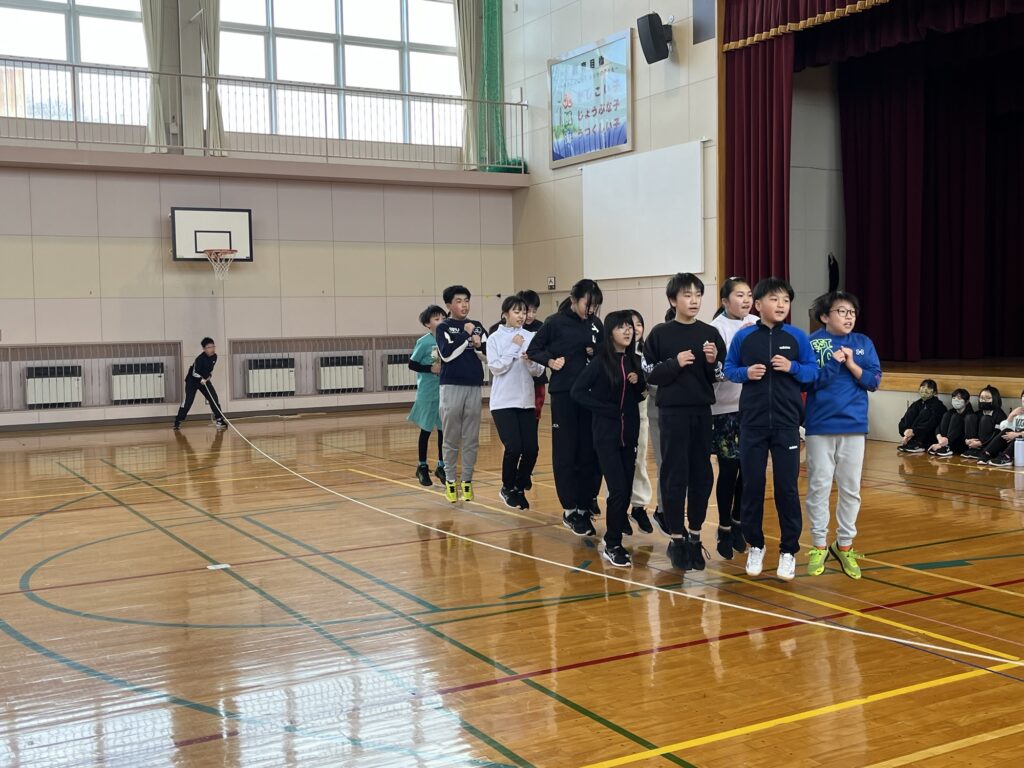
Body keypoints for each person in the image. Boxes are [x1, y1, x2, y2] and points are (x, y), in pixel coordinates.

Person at [724, 277, 818, 581]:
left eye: (786, 301)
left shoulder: (797, 337)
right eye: (774, 300)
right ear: (758, 304)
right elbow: (729, 369)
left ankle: (789, 550)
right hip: (752, 423)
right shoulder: (744, 336)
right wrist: (746, 372)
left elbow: (813, 372)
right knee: (752, 486)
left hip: (787, 424)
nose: (781, 305)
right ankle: (756, 545)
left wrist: (792, 367)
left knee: (786, 488)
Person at [644, 273, 727, 572]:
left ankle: (694, 535)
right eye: (687, 295)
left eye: (698, 295)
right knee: (674, 474)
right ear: (673, 300)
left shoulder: (710, 333)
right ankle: (676, 538)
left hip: (701, 412)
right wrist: (674, 364)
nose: (694, 300)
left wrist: (712, 362)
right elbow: (649, 373)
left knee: (702, 474)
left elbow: (719, 375)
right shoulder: (660, 334)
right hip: (672, 413)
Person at [804, 291, 882, 580]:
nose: (849, 317)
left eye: (852, 312)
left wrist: (851, 364)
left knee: (851, 489)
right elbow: (807, 382)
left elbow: (873, 381)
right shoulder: (812, 343)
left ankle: (844, 544)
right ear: (825, 316)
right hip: (820, 426)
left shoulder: (863, 343)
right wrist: (833, 363)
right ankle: (819, 545)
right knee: (819, 487)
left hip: (854, 427)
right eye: (841, 311)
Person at [528, 279, 605, 536]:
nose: (590, 310)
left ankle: (584, 505)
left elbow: (605, 352)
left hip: (590, 395)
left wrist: (596, 352)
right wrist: (550, 362)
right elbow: (533, 349)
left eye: (595, 306)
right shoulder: (555, 323)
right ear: (573, 300)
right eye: (587, 304)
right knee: (566, 452)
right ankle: (570, 509)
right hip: (565, 395)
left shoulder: (596, 324)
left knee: (589, 451)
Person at [571, 310, 646, 567]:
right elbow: (578, 392)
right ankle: (613, 543)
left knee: (625, 491)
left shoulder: (635, 360)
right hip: (606, 436)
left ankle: (613, 538)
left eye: (630, 327)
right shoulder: (600, 362)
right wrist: (605, 409)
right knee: (618, 490)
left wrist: (637, 382)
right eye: (621, 327)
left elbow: (640, 395)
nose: (627, 331)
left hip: (629, 436)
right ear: (610, 332)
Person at [710, 277, 759, 560]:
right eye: (739, 295)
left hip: (753, 408)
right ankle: (724, 526)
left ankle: (739, 522)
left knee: (748, 471)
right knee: (729, 470)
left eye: (749, 294)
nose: (746, 300)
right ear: (725, 301)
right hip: (725, 409)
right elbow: (719, 369)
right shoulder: (716, 329)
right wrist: (740, 341)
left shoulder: (757, 323)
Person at [487, 293, 545, 510]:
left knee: (531, 449)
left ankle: (520, 487)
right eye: (517, 311)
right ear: (505, 314)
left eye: (524, 312)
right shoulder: (494, 338)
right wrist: (513, 348)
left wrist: (530, 361)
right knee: (514, 447)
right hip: (503, 402)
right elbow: (496, 368)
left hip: (526, 401)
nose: (521, 316)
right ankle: (507, 487)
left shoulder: (530, 336)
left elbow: (539, 370)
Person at [436, 285, 488, 503]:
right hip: (451, 387)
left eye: (466, 300)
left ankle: (467, 480)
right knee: (451, 437)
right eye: (459, 301)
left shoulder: (477, 326)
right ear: (449, 305)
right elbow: (446, 355)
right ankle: (450, 479)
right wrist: (466, 335)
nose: (464, 305)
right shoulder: (444, 327)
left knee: (471, 437)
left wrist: (478, 345)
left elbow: (488, 355)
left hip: (474, 386)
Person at [408, 305, 447, 486]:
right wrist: (430, 368)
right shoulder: (424, 342)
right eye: (436, 319)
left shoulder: (448, 340)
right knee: (426, 430)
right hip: (427, 392)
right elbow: (412, 364)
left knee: (443, 430)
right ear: (427, 324)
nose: (441, 322)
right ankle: (422, 466)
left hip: (444, 391)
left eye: (443, 318)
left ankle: (442, 465)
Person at [627, 311, 654, 534]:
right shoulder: (614, 354)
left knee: (639, 460)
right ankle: (618, 509)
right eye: (630, 324)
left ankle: (639, 506)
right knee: (619, 464)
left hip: (642, 413)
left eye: (639, 324)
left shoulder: (647, 352)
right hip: (618, 415)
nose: (635, 328)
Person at [174, 337, 226, 430]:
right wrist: (201, 379)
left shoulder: (215, 357)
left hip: (204, 381)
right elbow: (194, 372)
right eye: (209, 347)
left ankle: (219, 420)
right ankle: (178, 420)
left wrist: (208, 377)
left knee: (213, 398)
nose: (212, 349)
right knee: (188, 401)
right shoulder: (200, 359)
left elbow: (210, 370)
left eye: (213, 346)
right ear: (204, 349)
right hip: (192, 381)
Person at [976, 389, 1024, 467]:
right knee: (1006, 430)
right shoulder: (1019, 412)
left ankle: (1007, 457)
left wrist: (1016, 434)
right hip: (1015, 443)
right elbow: (1003, 427)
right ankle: (987, 453)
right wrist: (1011, 416)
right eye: (1023, 396)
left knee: (1019, 437)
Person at [896, 379, 945, 453]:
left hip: (929, 438)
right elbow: (905, 419)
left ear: (934, 392)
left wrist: (914, 431)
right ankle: (910, 440)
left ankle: (919, 444)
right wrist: (905, 432)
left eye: (928, 388)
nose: (925, 390)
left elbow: (931, 424)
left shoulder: (938, 406)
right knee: (911, 413)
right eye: (923, 387)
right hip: (912, 436)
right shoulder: (916, 404)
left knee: (924, 413)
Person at [962, 386, 1006, 460]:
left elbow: (998, 434)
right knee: (970, 417)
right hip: (973, 444)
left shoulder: (1000, 415)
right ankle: (973, 448)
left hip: (990, 446)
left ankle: (982, 450)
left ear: (995, 399)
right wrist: (967, 440)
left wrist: (981, 443)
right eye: (981, 398)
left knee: (986, 418)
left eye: (988, 398)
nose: (984, 400)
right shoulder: (978, 413)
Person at [928, 388, 973, 457]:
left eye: (959, 398)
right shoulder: (951, 412)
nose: (956, 400)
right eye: (954, 398)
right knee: (947, 415)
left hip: (960, 443)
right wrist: (940, 438)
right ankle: (944, 446)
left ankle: (946, 447)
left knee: (956, 416)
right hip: (944, 442)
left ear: (967, 402)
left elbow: (962, 431)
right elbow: (939, 427)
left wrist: (945, 442)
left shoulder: (970, 415)